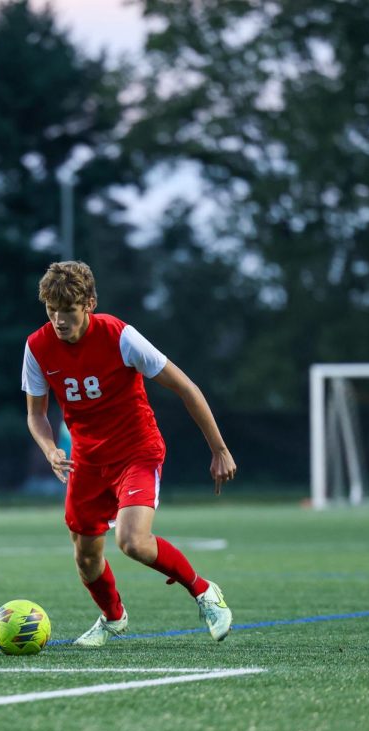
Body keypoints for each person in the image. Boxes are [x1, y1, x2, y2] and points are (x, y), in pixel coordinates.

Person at [22, 261, 237, 647]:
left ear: (89, 303)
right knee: (86, 556)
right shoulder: (37, 346)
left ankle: (205, 591)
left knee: (132, 541)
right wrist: (51, 448)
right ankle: (113, 618)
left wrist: (219, 449)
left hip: (137, 451)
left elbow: (187, 388)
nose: (58, 321)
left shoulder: (121, 337)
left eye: (67, 312)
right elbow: (36, 415)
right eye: (51, 311)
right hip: (86, 460)